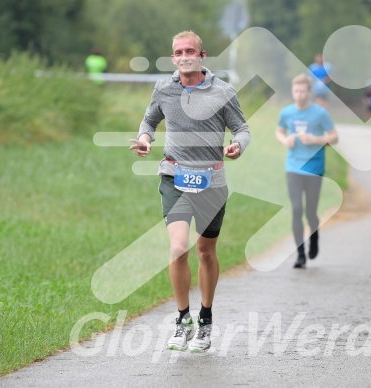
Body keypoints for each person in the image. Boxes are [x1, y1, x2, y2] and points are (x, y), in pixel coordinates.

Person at [129, 31, 250, 352]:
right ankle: (182, 320)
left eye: (190, 51)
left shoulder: (223, 91)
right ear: (173, 58)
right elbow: (149, 121)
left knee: (206, 252)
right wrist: (144, 139)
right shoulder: (164, 88)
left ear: (202, 55)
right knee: (178, 248)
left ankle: (206, 319)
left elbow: (242, 128)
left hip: (211, 180)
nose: (184, 56)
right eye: (179, 52)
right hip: (174, 175)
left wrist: (238, 145)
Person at [275, 74, 338, 269]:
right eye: (296, 91)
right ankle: (300, 254)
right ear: (292, 92)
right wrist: (286, 141)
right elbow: (279, 131)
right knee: (296, 209)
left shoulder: (320, 113)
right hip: (293, 166)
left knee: (310, 212)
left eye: (303, 91)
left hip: (314, 167)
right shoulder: (286, 112)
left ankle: (314, 237)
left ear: (309, 92)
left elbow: (334, 137)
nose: (299, 95)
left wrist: (316, 140)